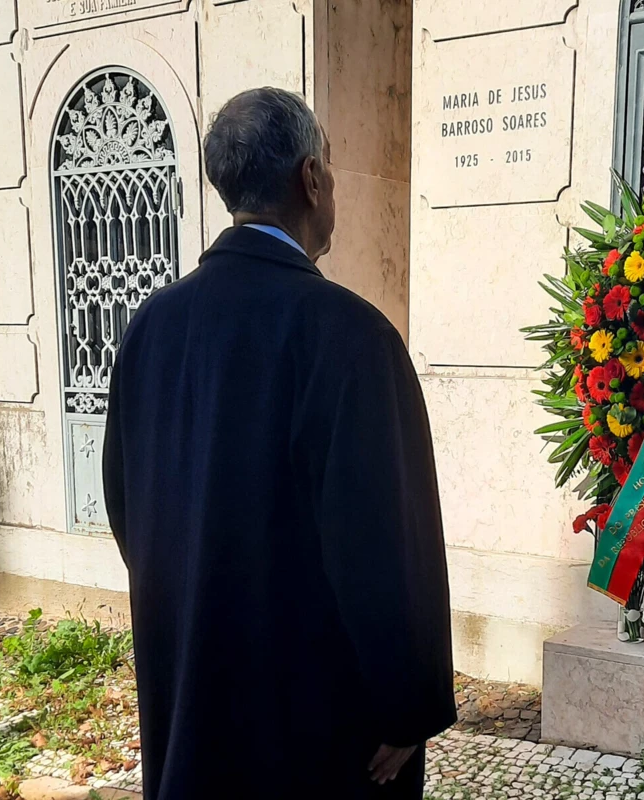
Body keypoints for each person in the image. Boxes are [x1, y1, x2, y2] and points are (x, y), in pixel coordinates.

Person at [103, 87, 456, 799]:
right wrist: (406, 701)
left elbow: (127, 508)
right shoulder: (351, 336)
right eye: (329, 166)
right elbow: (388, 542)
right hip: (316, 722)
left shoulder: (152, 327)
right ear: (311, 178)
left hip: (193, 687)